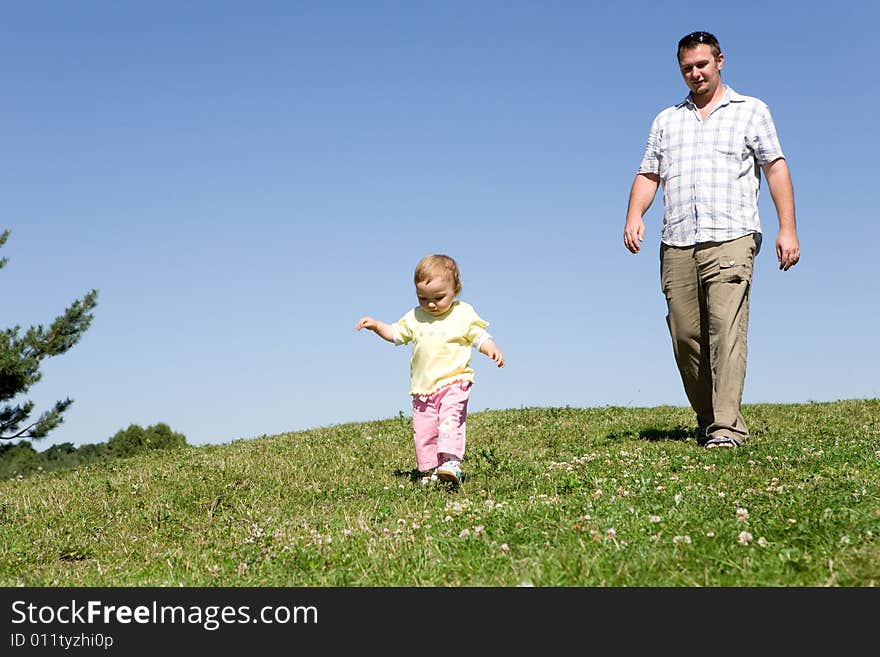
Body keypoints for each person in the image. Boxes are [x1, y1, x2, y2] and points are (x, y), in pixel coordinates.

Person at [623, 31, 800, 449]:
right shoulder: (667, 120)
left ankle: (727, 428)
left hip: (732, 235)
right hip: (678, 239)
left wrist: (787, 227)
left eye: (702, 64)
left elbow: (774, 167)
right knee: (685, 336)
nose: (695, 73)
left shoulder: (751, 111)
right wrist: (634, 215)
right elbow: (649, 174)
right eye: (687, 68)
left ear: (720, 61)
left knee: (726, 330)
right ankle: (707, 419)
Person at [356, 254, 505, 483]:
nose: (431, 304)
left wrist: (490, 348)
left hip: (454, 380)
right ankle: (432, 470)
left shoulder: (462, 313)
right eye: (423, 298)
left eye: (439, 297)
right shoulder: (415, 317)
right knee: (424, 431)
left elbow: (478, 336)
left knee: (449, 420)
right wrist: (376, 326)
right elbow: (396, 334)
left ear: (456, 289)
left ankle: (451, 462)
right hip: (423, 388)